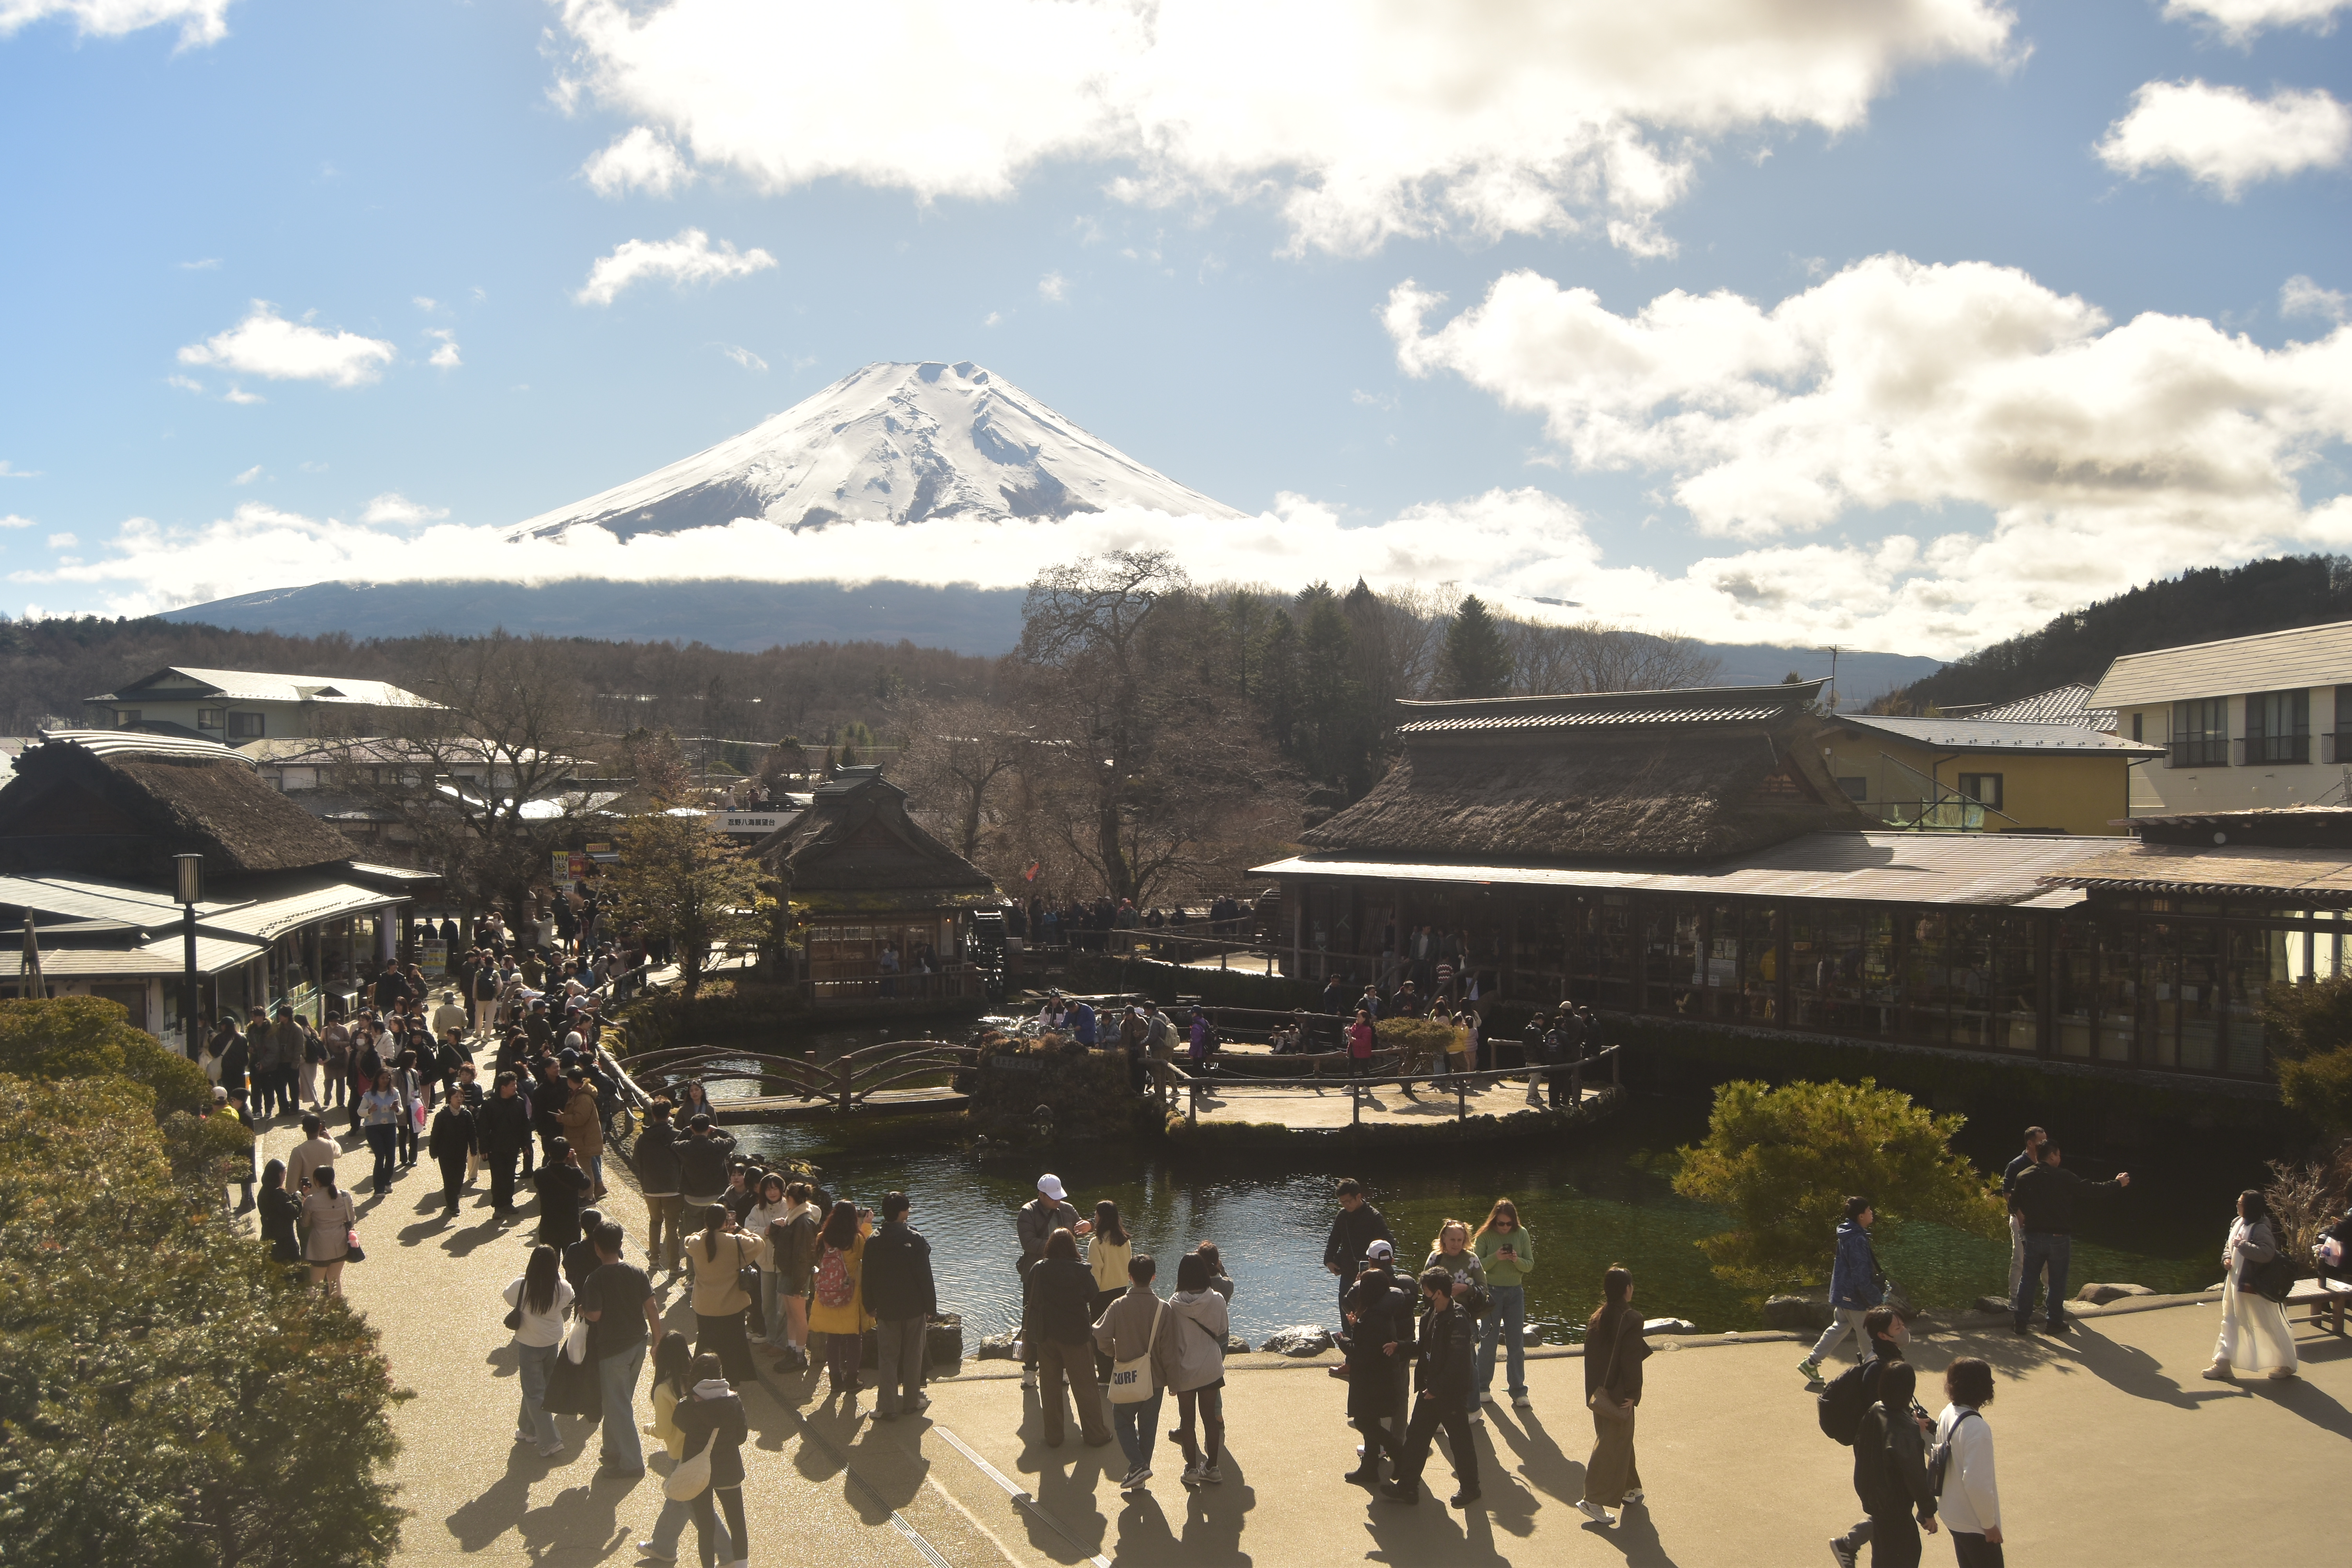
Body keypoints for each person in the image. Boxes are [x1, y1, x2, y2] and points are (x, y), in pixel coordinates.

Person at [1379, 1265, 1484, 1508]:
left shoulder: (1458, 1320)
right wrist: (1400, 1346)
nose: (1423, 1295)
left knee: (1460, 1441)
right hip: (1430, 1390)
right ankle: (1408, 1487)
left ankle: (1471, 1488)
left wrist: (1437, 1388)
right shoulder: (1431, 1314)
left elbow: (1457, 1362)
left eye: (1426, 1291)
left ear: (1438, 1292)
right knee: (1416, 1438)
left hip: (1449, 1393)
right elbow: (1424, 1346)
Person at [1826, 1307, 1924, 1565]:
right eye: (1898, 1328)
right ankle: (1848, 1543)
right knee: (1892, 1510)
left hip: (1879, 1446)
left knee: (1890, 1511)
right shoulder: (1879, 1368)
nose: (1904, 1330)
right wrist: (1910, 1425)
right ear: (1883, 1335)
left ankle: (1848, 1543)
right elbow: (1883, 1414)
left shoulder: (1885, 1358)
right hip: (1881, 1450)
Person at [2007, 1139, 2130, 1336]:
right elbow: (2091, 1189)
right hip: (2058, 1237)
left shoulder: (2024, 1176)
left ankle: (2021, 1322)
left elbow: (2012, 1203)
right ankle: (2054, 1322)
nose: (2060, 1158)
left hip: (2034, 1236)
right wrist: (2117, 1183)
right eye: (2059, 1154)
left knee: (2028, 1279)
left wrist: (2021, 1217)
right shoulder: (2063, 1176)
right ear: (2052, 1156)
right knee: (2057, 1282)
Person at [580, 1220, 664, 1477]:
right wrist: (658, 1342)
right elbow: (652, 1308)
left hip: (613, 1349)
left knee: (617, 1405)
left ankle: (632, 1462)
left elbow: (595, 1315)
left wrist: (583, 1310)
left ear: (597, 1248)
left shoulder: (595, 1279)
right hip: (638, 1343)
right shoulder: (636, 1273)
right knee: (618, 1400)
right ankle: (612, 1449)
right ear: (620, 1244)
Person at [640, 1333, 732, 1564]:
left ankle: (729, 1554)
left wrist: (649, 1429)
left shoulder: (664, 1389)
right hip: (705, 1448)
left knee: (695, 1508)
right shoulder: (697, 1380)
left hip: (681, 1454)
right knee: (678, 1502)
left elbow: (664, 1429)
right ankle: (663, 1547)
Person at [1025, 1227, 1114, 1448]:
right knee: (1085, 1387)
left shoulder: (1039, 1269)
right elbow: (1093, 1294)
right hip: (1076, 1335)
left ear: (1050, 1246)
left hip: (1047, 1334)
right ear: (1073, 1247)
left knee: (1050, 1387)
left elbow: (1031, 1296)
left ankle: (1054, 1436)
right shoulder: (1081, 1271)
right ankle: (1095, 1434)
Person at [1846, 1361, 1938, 1568]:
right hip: (1896, 1505)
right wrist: (1928, 1511)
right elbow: (1915, 1475)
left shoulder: (1875, 1410)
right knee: (1906, 1556)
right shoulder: (1906, 1430)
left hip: (1875, 1499)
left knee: (1883, 1555)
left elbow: (1860, 1446)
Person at [1576, 1265, 1648, 1528]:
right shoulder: (1631, 1319)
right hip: (1619, 1395)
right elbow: (1631, 1362)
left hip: (1600, 1394)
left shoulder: (1599, 1316)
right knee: (1611, 1444)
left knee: (1619, 1439)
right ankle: (1592, 1500)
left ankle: (1630, 1488)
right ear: (1627, 1289)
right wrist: (1633, 1394)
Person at [2202, 1187, 2299, 1383]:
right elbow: (2229, 1245)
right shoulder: (2237, 1222)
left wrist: (2243, 1246)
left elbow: (2267, 1253)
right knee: (2230, 1320)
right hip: (2235, 1283)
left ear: (2250, 1207)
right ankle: (2223, 1363)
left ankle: (2287, 1364)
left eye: (2241, 1203)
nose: (2237, 1205)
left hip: (2253, 1286)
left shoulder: (2261, 1228)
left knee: (2266, 1323)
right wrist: (2227, 1258)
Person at [1342, 1239, 1416, 1489]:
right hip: (1384, 1375)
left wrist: (1343, 1340)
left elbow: (1361, 1353)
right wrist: (1356, 1326)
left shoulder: (1372, 1319)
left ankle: (1398, 1453)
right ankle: (1370, 1468)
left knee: (1365, 1422)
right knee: (1372, 1422)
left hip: (1370, 1381)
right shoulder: (1385, 1312)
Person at [864, 1190, 937, 1420]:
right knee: (913, 1356)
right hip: (914, 1307)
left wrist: (869, 1304)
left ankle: (887, 1406)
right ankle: (911, 1402)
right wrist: (931, 1307)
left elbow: (868, 1276)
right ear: (903, 1213)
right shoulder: (915, 1239)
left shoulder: (874, 1240)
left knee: (888, 1358)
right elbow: (925, 1276)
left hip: (887, 1308)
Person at [673, 1352, 750, 1568]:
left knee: (706, 1526)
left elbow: (680, 1424)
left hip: (698, 1471)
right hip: (728, 1468)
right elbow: (742, 1437)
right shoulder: (733, 1401)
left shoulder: (687, 1405)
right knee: (737, 1523)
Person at [1799, 1196, 1886, 1384]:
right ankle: (1874, 1378)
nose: (1872, 1213)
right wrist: (1875, 1298)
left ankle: (1811, 1362)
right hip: (1856, 1298)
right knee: (1868, 1338)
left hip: (1844, 1294)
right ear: (1861, 1216)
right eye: (1869, 1210)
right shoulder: (1857, 1239)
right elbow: (1861, 1275)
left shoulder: (1848, 1234)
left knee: (1839, 1327)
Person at [1016, 1174, 1084, 1390]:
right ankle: (1029, 1370)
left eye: (1058, 1196)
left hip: (1064, 1276)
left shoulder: (1067, 1209)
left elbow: (1078, 1232)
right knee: (1032, 1320)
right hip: (1036, 1275)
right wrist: (1059, 1246)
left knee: (1063, 1319)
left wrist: (1088, 1226)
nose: (1057, 1201)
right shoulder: (1027, 1212)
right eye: (1053, 1197)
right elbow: (1028, 1243)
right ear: (1041, 1195)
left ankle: (1063, 1368)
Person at [505, 1244, 573, 1459]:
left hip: (529, 1345)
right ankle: (528, 1429)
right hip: (552, 1343)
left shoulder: (522, 1286)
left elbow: (507, 1295)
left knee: (534, 1392)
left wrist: (522, 1277)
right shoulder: (563, 1288)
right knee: (540, 1387)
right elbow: (570, 1298)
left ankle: (550, 1441)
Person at [1168, 1250, 1230, 1485]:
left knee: (1188, 1421)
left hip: (1185, 1369)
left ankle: (1192, 1469)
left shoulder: (1174, 1304)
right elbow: (1222, 1330)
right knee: (1210, 1419)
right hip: (1211, 1368)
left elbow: (1170, 1339)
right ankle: (1213, 1468)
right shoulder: (1217, 1300)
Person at [1933, 1358, 2002, 1568]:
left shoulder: (1948, 1412)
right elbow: (1977, 1485)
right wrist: (1989, 1525)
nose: (1993, 1383)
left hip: (1952, 1514)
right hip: (1974, 1524)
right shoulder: (1978, 1429)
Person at [686, 1204, 762, 1385]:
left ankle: (703, 1380)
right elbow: (759, 1243)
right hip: (731, 1305)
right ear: (725, 1222)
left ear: (706, 1222)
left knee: (706, 1343)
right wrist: (740, 1230)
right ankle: (732, 1381)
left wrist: (706, 1231)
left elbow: (689, 1239)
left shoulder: (696, 1243)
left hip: (705, 1306)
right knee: (732, 1345)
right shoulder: (735, 1242)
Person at [1473, 1198, 1534, 1412]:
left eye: (1509, 1224)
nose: (1505, 1227)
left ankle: (1519, 1391)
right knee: (1488, 1342)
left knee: (1516, 1343)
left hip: (1516, 1293)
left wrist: (1516, 1260)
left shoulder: (1522, 1234)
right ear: (1494, 1221)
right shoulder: (1485, 1236)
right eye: (1501, 1223)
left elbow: (1529, 1265)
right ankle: (1482, 1387)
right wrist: (1496, 1257)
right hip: (1491, 1293)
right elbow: (1477, 1265)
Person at [808, 1198, 871, 1400]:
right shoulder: (856, 1239)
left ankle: (835, 1381)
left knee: (832, 1339)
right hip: (850, 1293)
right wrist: (866, 1226)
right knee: (854, 1338)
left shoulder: (823, 1238)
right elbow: (868, 1254)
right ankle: (852, 1379)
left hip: (828, 1293)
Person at [1322, 1178, 1394, 1326]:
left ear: (1359, 1197)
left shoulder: (1374, 1217)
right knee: (1346, 1311)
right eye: (1342, 1202)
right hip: (1348, 1272)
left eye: (1348, 1201)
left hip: (1370, 1277)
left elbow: (1390, 1244)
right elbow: (1334, 1239)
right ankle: (1348, 1338)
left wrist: (1374, 1267)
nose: (1345, 1205)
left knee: (1368, 1315)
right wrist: (1328, 1260)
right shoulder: (1342, 1216)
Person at [766, 1180, 821, 1373]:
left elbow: (804, 1255)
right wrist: (775, 1227)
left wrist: (799, 1284)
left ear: (790, 1198)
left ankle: (800, 1355)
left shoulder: (803, 1221)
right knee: (791, 1315)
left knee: (799, 1316)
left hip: (796, 1275)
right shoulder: (793, 1218)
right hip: (788, 1272)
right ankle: (792, 1350)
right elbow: (781, 1244)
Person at [1999, 1127, 2047, 1301]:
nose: (2045, 1144)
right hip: (2020, 1218)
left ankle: (2048, 1297)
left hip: (2042, 1218)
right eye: (2041, 1141)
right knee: (2020, 1259)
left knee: (2047, 1260)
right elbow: (2007, 1192)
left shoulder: (2046, 1163)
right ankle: (2015, 1299)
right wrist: (2019, 1213)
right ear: (2030, 1143)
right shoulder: (2016, 1165)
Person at [479, 1071, 533, 1219]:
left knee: (509, 1176)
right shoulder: (489, 1104)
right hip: (495, 1148)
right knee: (498, 1177)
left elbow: (525, 1125)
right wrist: (484, 1148)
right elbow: (483, 1128)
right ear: (503, 1087)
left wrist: (526, 1144)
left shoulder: (519, 1102)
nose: (516, 1087)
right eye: (513, 1085)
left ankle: (508, 1203)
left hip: (513, 1147)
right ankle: (498, 1206)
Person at [299, 1163, 356, 1296]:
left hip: (320, 1246)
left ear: (316, 1181)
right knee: (335, 1281)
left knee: (315, 1283)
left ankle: (313, 1307)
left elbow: (305, 1223)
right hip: (340, 1244)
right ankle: (336, 1307)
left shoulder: (312, 1200)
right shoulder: (345, 1196)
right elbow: (352, 1219)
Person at [535, 1136, 594, 1251]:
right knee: (572, 1259)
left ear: (549, 1153)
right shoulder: (574, 1173)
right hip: (570, 1225)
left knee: (550, 1259)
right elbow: (587, 1184)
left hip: (549, 1225)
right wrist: (576, 1164)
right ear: (568, 1154)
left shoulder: (540, 1174)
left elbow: (539, 1184)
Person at [557, 1067, 607, 1199]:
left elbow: (579, 1119)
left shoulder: (583, 1097)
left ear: (570, 1081)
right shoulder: (579, 1094)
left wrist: (563, 1118)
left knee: (585, 1170)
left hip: (583, 1141)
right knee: (583, 1168)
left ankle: (589, 1197)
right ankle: (584, 1195)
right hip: (580, 1139)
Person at [429, 1085, 476, 1217]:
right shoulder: (442, 1115)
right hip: (445, 1154)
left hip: (461, 1152)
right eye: (456, 1097)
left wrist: (474, 1148)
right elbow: (435, 1134)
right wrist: (433, 1151)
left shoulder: (466, 1114)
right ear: (450, 1099)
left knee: (459, 1177)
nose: (459, 1099)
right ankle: (453, 1205)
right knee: (449, 1179)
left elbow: (472, 1133)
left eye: (461, 1096)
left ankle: (454, 1195)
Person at [358, 1069, 403, 1191]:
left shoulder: (394, 1093)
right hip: (373, 1128)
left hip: (390, 1127)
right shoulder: (369, 1095)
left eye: (388, 1078)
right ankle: (378, 1189)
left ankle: (387, 1181)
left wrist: (396, 1109)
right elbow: (360, 1112)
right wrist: (369, 1111)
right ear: (377, 1079)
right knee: (380, 1157)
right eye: (383, 1078)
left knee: (391, 1157)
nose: (385, 1080)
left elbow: (401, 1110)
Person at [257, 1157, 301, 1263]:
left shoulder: (264, 1191)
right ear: (279, 1175)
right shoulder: (278, 1194)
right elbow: (294, 1212)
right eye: (284, 1174)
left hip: (268, 1236)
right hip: (284, 1241)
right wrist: (298, 1196)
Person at [1347, 1007, 1376, 1096]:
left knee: (1364, 1068)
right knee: (1351, 1066)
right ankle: (1351, 1085)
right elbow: (1351, 1033)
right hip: (1355, 1050)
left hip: (1364, 1052)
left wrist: (1354, 1040)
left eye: (1359, 1017)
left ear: (1364, 1019)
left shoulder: (1367, 1029)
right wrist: (1348, 1031)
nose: (1357, 1018)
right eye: (1357, 1017)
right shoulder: (1356, 1026)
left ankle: (1367, 1087)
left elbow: (1364, 1042)